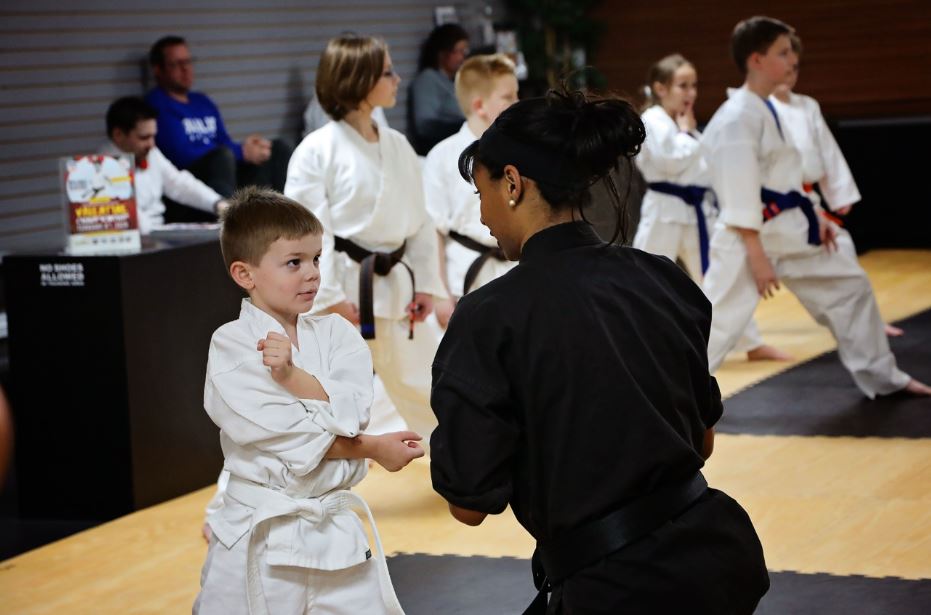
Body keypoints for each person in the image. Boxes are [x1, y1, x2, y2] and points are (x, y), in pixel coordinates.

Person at [430, 88, 770, 614]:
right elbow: (700, 441)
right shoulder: (663, 278)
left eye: (482, 194)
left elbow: (468, 505)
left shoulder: (489, 316)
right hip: (717, 558)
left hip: (614, 590)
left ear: (513, 184)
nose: (482, 218)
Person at [194, 187, 422, 615]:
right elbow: (290, 439)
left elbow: (352, 416)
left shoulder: (338, 335)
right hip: (258, 539)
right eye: (294, 263)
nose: (313, 274)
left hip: (336, 536)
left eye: (317, 259)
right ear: (245, 274)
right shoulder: (231, 345)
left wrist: (293, 378)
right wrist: (373, 447)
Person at [700, 16, 930, 397]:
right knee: (715, 324)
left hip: (789, 230)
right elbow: (737, 191)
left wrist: (816, 214)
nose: (793, 60)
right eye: (783, 52)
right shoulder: (737, 117)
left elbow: (785, 177)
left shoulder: (766, 108)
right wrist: (757, 257)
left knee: (850, 287)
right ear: (756, 59)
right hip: (747, 240)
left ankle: (884, 378)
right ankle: (660, 399)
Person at [285, 34, 447, 445]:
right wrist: (329, 297)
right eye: (387, 71)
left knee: (430, 382)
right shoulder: (315, 151)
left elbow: (421, 221)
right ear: (358, 80)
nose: (397, 78)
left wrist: (427, 283)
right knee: (323, 395)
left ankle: (461, 467)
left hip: (398, 285)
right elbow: (305, 235)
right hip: (342, 289)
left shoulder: (398, 145)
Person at [634, 54, 789, 362]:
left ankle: (751, 342)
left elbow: (704, 166)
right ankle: (633, 342)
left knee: (718, 277)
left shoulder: (685, 125)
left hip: (695, 211)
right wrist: (685, 135)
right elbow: (668, 160)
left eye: (694, 86)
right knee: (642, 276)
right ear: (660, 88)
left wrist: (687, 135)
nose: (690, 93)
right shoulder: (652, 120)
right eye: (682, 86)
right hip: (663, 210)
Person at [769, 34, 903, 337]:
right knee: (734, 288)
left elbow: (827, 152)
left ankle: (864, 324)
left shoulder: (807, 106)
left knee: (841, 251)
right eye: (785, 66)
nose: (790, 74)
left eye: (795, 68)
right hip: (770, 209)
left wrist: (838, 192)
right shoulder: (758, 109)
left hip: (806, 201)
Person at [422, 53, 519, 328]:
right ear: (479, 105)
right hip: (464, 276)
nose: (517, 103)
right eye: (508, 97)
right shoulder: (442, 156)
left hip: (517, 270)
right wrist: (440, 295)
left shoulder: (522, 151)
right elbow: (433, 232)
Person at [145, 36, 292, 197]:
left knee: (276, 149)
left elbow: (223, 140)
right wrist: (240, 152)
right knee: (222, 157)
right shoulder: (156, 104)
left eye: (188, 62)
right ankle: (226, 218)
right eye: (176, 64)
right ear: (158, 70)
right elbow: (181, 154)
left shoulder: (202, 101)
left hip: (223, 172)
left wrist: (251, 149)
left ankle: (287, 214)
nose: (185, 69)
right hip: (192, 182)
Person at [100, 96, 227, 234]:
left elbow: (178, 183)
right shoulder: (102, 169)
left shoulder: (150, 152)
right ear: (118, 134)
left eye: (153, 136)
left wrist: (217, 203)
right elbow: (136, 222)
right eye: (144, 138)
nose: (152, 144)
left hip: (160, 233)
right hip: (141, 242)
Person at [408, 23, 470, 155]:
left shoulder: (452, 80)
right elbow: (425, 127)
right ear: (442, 53)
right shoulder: (428, 79)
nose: (462, 57)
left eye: (464, 51)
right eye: (458, 51)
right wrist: (465, 126)